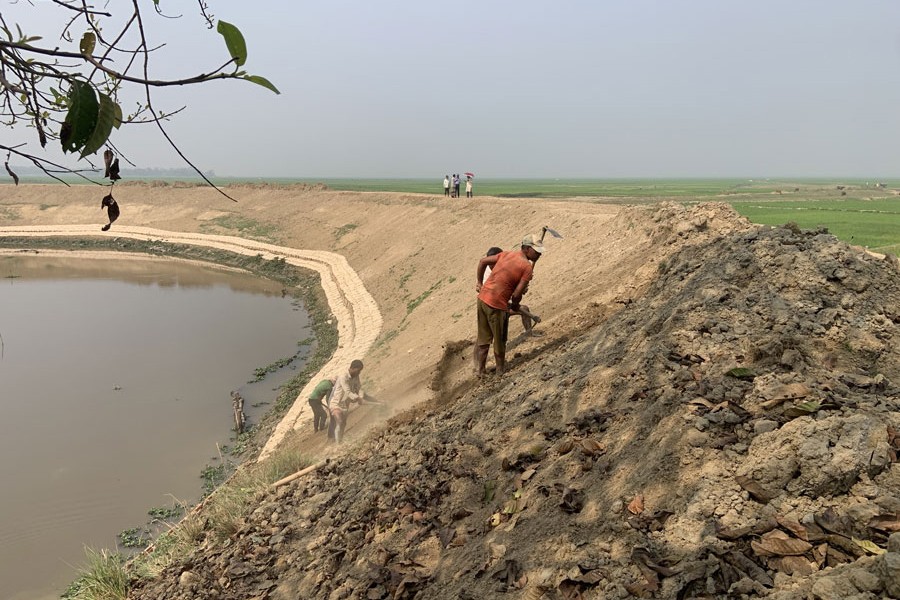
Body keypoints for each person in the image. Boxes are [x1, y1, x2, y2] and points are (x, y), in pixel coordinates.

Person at [474, 234, 544, 376]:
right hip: (496, 303)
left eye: (540, 251)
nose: (539, 254)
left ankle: (480, 371)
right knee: (499, 339)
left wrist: (479, 283)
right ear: (526, 248)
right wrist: (516, 304)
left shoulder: (506, 254)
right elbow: (517, 294)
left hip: (482, 299)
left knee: (484, 338)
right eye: (536, 251)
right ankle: (500, 370)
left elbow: (482, 261)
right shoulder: (527, 267)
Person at [483, 247, 541, 336]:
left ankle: (529, 333)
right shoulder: (488, 275)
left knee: (524, 309)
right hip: (494, 306)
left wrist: (522, 286)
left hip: (503, 303)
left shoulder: (504, 266)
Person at [328, 359, 368, 443]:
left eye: (360, 371)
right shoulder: (343, 377)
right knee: (339, 421)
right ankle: (337, 445)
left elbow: (359, 388)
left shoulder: (356, 377)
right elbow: (348, 391)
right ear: (352, 368)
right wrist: (358, 398)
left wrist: (361, 397)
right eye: (358, 370)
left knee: (343, 425)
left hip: (345, 405)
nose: (359, 373)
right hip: (336, 404)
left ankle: (339, 440)